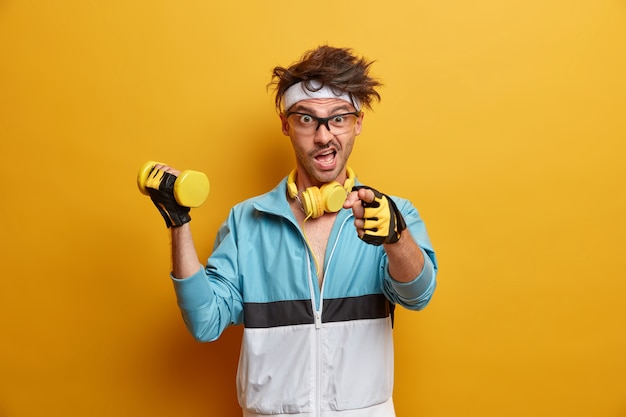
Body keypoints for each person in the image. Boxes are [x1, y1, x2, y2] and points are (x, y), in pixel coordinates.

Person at [144, 45, 438, 417]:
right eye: (306, 120)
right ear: (285, 124)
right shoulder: (246, 220)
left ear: (358, 123)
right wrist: (178, 223)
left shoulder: (390, 214)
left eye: (338, 119)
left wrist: (397, 238)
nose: (323, 136)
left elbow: (419, 294)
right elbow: (205, 322)